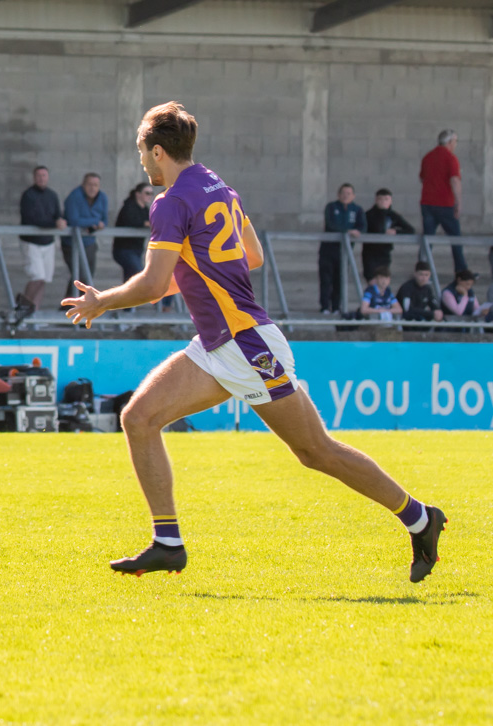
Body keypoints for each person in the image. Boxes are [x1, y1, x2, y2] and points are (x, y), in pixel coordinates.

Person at [62, 101, 445, 583]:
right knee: (138, 418)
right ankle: (168, 543)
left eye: (142, 152)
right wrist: (196, 272)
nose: (142, 161)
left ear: (158, 152)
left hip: (245, 344)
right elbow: (252, 255)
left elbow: (154, 285)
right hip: (218, 342)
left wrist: (102, 301)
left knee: (315, 452)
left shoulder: (170, 202)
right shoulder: (217, 185)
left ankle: (420, 518)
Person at [17, 165, 67, 312]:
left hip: (48, 242)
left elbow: (57, 214)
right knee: (37, 277)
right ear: (34, 178)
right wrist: (54, 223)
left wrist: (60, 221)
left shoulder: (52, 195)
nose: (41, 178)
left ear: (48, 177)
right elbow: (31, 219)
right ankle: (23, 310)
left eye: (44, 175)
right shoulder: (28, 195)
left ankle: (35, 313)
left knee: (44, 279)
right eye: (38, 176)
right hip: (31, 242)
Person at [420, 129, 467, 273]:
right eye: (455, 141)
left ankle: (422, 269)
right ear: (450, 142)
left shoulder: (428, 157)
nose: (456, 144)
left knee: (427, 239)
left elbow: (422, 178)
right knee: (456, 240)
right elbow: (455, 180)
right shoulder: (450, 158)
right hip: (445, 204)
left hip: (427, 203)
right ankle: (461, 271)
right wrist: (458, 203)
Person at [318, 182, 365, 314]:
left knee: (340, 279)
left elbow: (363, 227)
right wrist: (348, 231)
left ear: (353, 195)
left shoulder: (357, 210)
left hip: (345, 252)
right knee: (326, 279)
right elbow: (330, 225)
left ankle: (337, 307)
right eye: (343, 193)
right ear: (339, 194)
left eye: (348, 193)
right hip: (328, 250)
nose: (346, 196)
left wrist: (356, 232)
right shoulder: (331, 207)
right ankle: (325, 307)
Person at [61, 172, 108, 300]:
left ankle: (74, 305)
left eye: (95, 185)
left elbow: (104, 220)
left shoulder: (102, 197)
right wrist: (93, 222)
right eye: (89, 185)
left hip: (89, 242)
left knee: (87, 277)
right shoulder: (74, 197)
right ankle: (70, 306)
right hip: (71, 244)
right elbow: (73, 220)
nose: (92, 188)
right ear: (83, 185)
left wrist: (98, 224)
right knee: (80, 275)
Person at [362, 188, 414, 281]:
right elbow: (362, 229)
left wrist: (396, 232)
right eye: (380, 199)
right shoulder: (368, 215)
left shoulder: (393, 216)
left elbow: (410, 230)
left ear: (390, 201)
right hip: (370, 253)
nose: (383, 202)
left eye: (386, 199)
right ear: (376, 200)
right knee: (371, 280)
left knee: (383, 280)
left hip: (385, 253)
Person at [112, 183, 154, 282]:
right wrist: (145, 223)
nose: (149, 196)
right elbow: (129, 220)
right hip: (124, 250)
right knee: (139, 276)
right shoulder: (128, 207)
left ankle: (125, 298)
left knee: (130, 280)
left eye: (151, 193)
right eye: (147, 193)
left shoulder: (145, 210)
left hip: (137, 250)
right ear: (138, 194)